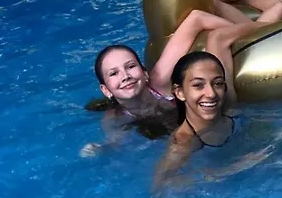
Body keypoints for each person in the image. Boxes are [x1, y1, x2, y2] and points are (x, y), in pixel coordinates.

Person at [80, 9, 234, 157]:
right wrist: (101, 149)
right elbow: (117, 144)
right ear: (106, 90)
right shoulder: (114, 118)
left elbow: (196, 19)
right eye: (114, 73)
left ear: (145, 73)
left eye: (131, 66)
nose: (125, 76)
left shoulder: (161, 82)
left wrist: (245, 36)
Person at [151, 51, 271, 191]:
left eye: (218, 83)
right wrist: (230, 169)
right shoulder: (184, 143)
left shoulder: (233, 111)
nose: (211, 93)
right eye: (198, 85)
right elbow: (160, 188)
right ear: (180, 92)